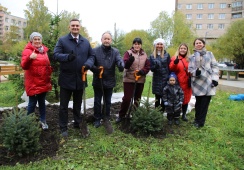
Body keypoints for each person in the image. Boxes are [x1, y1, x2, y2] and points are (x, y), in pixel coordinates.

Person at [53, 19, 95, 137]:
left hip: (80, 78)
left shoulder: (85, 42)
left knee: (77, 104)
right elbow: (55, 55)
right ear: (69, 27)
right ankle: (63, 127)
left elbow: (92, 56)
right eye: (73, 26)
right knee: (63, 106)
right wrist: (67, 57)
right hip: (66, 78)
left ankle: (77, 123)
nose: (75, 27)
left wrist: (88, 64)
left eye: (77, 25)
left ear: (80, 27)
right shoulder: (62, 40)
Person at [91, 31, 124, 133]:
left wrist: (121, 64)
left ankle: (106, 117)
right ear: (101, 40)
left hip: (109, 80)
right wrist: (95, 69)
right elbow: (91, 62)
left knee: (108, 101)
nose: (106, 40)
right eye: (105, 38)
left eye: (108, 39)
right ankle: (97, 118)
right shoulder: (95, 51)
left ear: (111, 40)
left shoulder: (115, 52)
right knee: (97, 101)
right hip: (98, 80)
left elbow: (119, 60)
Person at [21, 32, 52, 130]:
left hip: (43, 82)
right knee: (32, 104)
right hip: (33, 83)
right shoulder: (28, 51)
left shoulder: (44, 51)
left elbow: (46, 65)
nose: (37, 41)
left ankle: (43, 121)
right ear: (31, 40)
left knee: (42, 103)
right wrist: (30, 58)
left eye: (39, 39)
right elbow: (24, 66)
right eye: (35, 39)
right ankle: (27, 124)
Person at [116, 37, 150, 123]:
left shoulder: (144, 55)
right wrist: (129, 61)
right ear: (133, 45)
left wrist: (142, 71)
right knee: (127, 98)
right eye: (135, 44)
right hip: (129, 79)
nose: (137, 45)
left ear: (141, 45)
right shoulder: (128, 53)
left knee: (137, 99)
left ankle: (135, 114)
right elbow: (126, 66)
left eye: (138, 44)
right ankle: (121, 115)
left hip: (140, 79)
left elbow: (147, 67)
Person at [188, 38, 219, 128]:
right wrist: (194, 73)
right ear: (194, 45)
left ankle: (200, 122)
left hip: (208, 82)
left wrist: (215, 79)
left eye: (200, 43)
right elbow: (190, 70)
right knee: (198, 103)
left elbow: (215, 66)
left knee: (204, 103)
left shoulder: (210, 54)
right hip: (197, 83)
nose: (198, 44)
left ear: (203, 44)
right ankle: (196, 120)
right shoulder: (192, 57)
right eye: (196, 43)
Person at [169, 43, 192, 122]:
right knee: (176, 99)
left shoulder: (189, 59)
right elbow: (171, 68)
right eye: (181, 48)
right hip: (178, 82)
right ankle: (175, 116)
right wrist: (175, 63)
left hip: (187, 83)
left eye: (184, 48)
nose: (183, 50)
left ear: (187, 50)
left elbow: (191, 70)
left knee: (186, 99)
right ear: (179, 49)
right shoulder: (174, 58)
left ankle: (184, 115)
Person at [149, 38, 171, 113]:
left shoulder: (167, 55)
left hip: (165, 79)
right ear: (155, 45)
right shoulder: (152, 56)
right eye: (158, 44)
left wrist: (170, 78)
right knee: (157, 97)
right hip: (157, 79)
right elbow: (151, 68)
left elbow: (169, 67)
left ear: (163, 45)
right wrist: (155, 66)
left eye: (161, 44)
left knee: (164, 97)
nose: (159, 46)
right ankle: (157, 114)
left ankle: (162, 112)